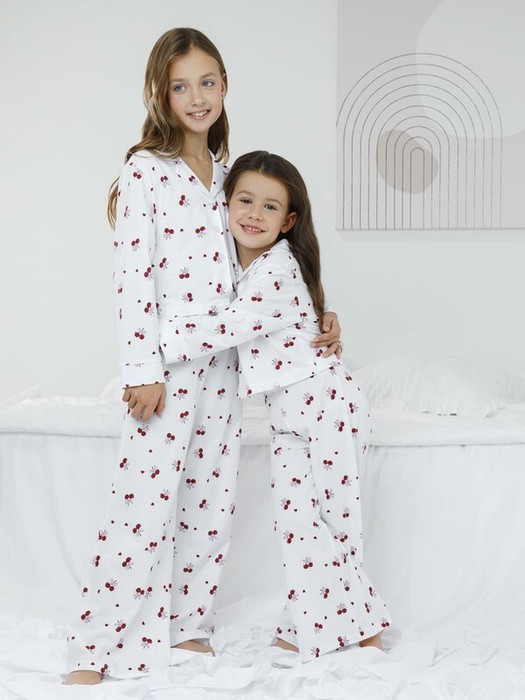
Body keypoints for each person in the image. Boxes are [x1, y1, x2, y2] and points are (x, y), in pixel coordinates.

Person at [64, 29, 341, 685]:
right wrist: (142, 371)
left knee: (210, 499)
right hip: (167, 366)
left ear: (224, 86)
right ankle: (96, 647)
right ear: (161, 94)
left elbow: (266, 259)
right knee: (141, 505)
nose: (196, 97)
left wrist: (320, 312)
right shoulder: (146, 171)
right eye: (181, 86)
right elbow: (133, 279)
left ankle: (187, 624)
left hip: (225, 366)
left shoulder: (228, 177)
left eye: (207, 82)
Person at [158, 151, 392, 661]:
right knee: (297, 522)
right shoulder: (235, 264)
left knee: (332, 520)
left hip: (326, 406)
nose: (254, 214)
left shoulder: (278, 270)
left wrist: (151, 342)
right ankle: (309, 623)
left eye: (269, 207)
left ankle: (363, 627)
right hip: (289, 417)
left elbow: (228, 327)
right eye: (244, 200)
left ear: (287, 222)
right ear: (224, 204)